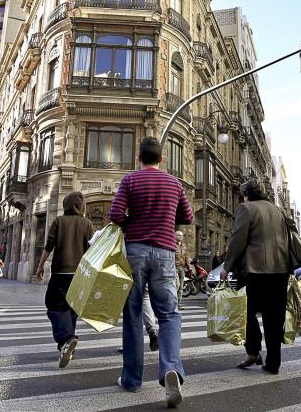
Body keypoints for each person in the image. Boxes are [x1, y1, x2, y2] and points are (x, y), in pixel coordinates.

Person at [109, 136, 193, 408]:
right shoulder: (174, 183)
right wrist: (166, 218)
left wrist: (134, 220)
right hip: (165, 253)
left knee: (133, 313)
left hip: (135, 252)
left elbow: (115, 214)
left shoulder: (130, 180)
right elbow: (188, 217)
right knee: (169, 314)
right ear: (161, 159)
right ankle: (171, 368)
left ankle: (132, 379)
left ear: (139, 158)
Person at [220, 179, 290, 375]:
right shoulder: (278, 211)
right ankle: (273, 362)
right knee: (274, 318)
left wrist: (227, 266)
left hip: (254, 271)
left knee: (245, 312)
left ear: (246, 194)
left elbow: (237, 240)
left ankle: (253, 350)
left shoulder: (246, 208)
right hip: (280, 271)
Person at [35, 192, 95, 368]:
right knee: (71, 310)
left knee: (54, 307)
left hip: (61, 272)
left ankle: (67, 339)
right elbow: (92, 250)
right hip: (80, 274)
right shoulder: (87, 224)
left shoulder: (59, 221)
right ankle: (67, 348)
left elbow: (49, 246)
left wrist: (40, 266)